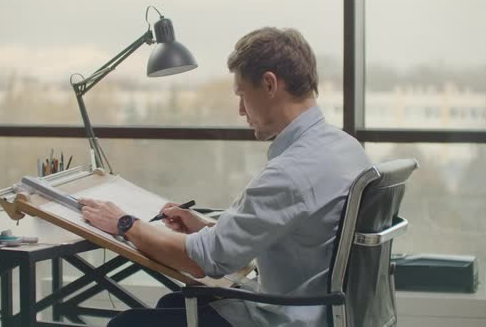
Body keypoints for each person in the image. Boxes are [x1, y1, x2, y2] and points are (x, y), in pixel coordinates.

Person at [79, 27, 371, 327]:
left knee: (127, 324)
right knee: (172, 304)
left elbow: (203, 261)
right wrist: (206, 227)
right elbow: (293, 233)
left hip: (284, 316)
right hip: (323, 310)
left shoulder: (292, 172)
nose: (241, 110)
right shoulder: (345, 149)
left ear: (270, 84)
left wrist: (125, 223)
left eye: (243, 94)